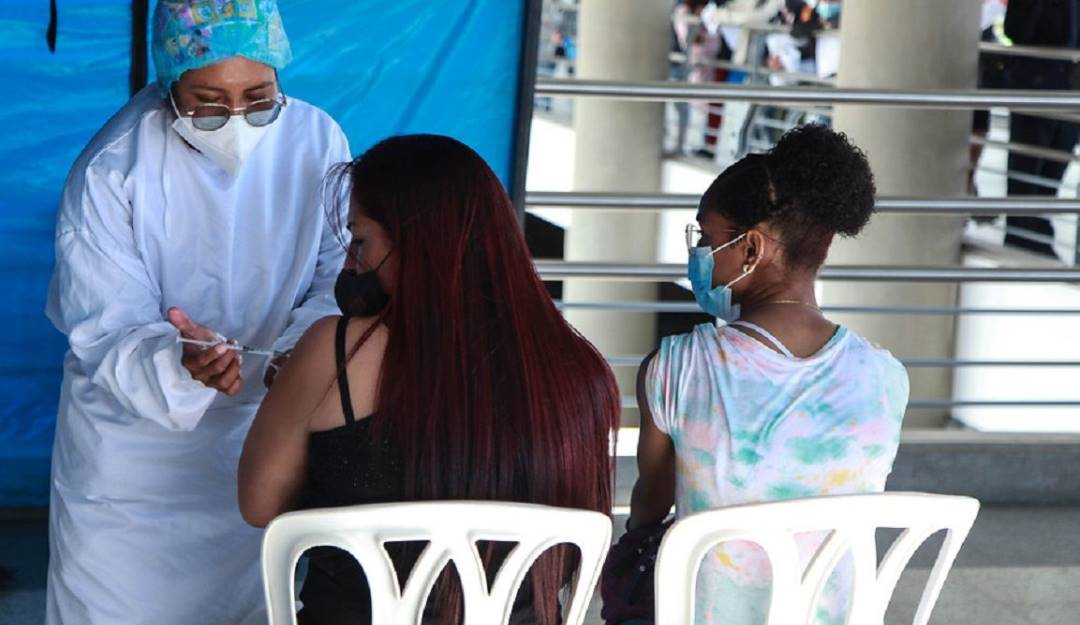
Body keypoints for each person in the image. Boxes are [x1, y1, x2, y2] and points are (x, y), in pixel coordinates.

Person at [45, 2, 350, 624]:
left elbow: (340, 273)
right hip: (133, 461)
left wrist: (297, 351)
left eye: (259, 96)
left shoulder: (318, 141)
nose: (236, 119)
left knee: (252, 605)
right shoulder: (113, 165)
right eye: (207, 101)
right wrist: (177, 360)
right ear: (168, 85)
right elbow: (104, 326)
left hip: (263, 436)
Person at [238, 134, 621, 625]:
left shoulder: (336, 351)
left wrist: (296, 388)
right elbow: (570, 555)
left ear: (416, 240)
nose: (351, 265)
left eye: (359, 240)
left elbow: (259, 503)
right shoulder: (579, 370)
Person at [624, 125, 909, 625]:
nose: (698, 254)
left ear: (751, 249)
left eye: (707, 238)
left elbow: (649, 511)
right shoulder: (885, 379)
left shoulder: (678, 369)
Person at [1002, 0, 1079, 257]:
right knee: (1026, 169)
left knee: (1054, 170)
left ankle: (1039, 235)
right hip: (1034, 90)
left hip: (1067, 95)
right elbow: (1016, 30)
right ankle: (1019, 241)